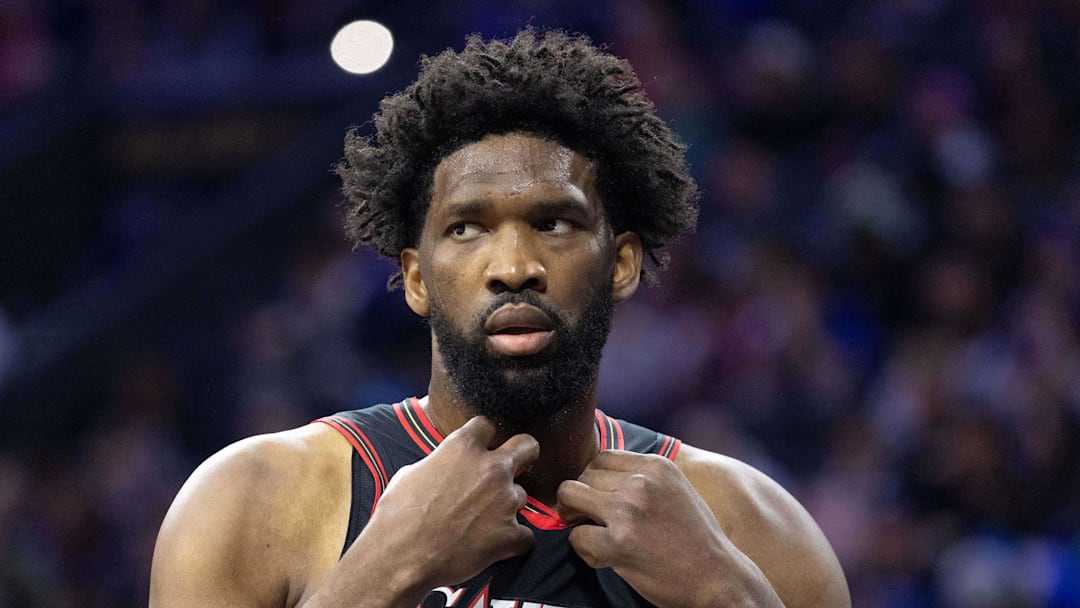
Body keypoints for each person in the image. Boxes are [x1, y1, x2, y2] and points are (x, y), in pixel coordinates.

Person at [150, 28, 850, 608]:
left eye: (554, 222)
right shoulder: (257, 502)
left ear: (623, 265)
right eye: (466, 229)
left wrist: (727, 597)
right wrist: (384, 571)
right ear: (416, 278)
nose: (514, 265)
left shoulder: (752, 530)